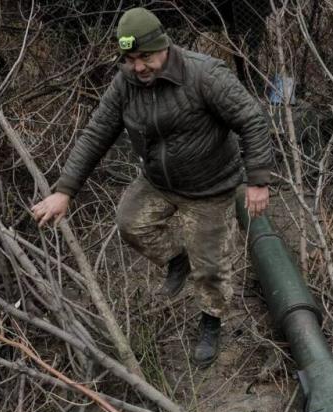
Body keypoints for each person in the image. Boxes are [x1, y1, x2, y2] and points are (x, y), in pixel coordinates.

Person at [31, 7, 273, 367]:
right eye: (129, 59)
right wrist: (65, 190)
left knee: (211, 269)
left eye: (145, 56)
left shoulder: (204, 75)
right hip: (158, 181)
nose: (139, 67)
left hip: (210, 187)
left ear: (163, 47)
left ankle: (211, 320)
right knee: (131, 223)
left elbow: (252, 120)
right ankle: (177, 260)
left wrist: (258, 181)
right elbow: (97, 133)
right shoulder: (126, 83)